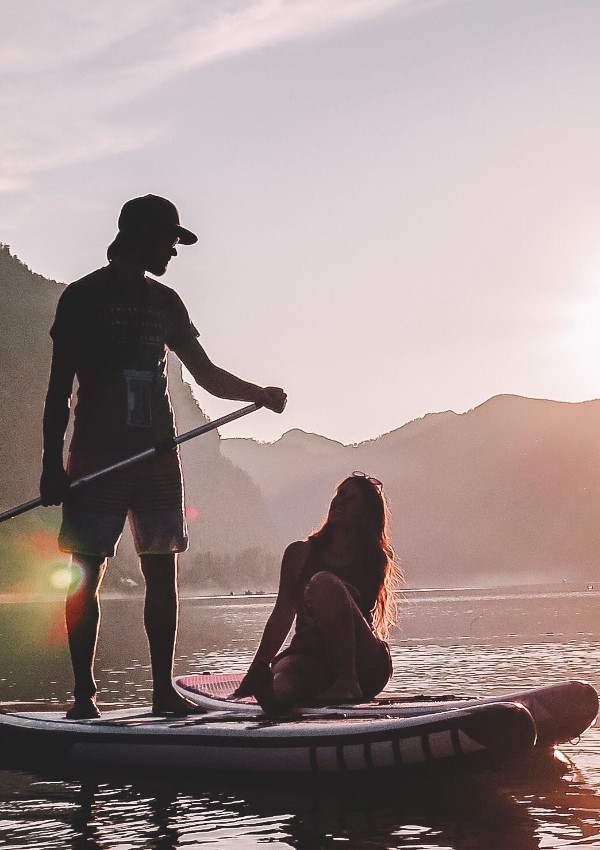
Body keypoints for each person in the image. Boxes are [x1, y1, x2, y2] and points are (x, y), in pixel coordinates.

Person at [40, 194, 287, 720]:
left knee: (162, 570)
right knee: (86, 571)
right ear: (141, 237)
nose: (174, 252)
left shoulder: (168, 303)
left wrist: (257, 394)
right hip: (96, 456)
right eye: (169, 241)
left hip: (156, 454)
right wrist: (49, 466)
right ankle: (84, 697)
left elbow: (207, 375)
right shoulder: (82, 297)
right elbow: (59, 389)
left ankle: (161, 691)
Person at [233, 471, 401, 714]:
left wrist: (334, 594)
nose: (339, 501)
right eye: (339, 495)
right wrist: (258, 665)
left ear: (365, 514)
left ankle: (347, 682)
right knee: (284, 680)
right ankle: (273, 696)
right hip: (311, 657)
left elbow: (353, 602)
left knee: (323, 583)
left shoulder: (374, 558)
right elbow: (282, 615)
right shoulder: (299, 554)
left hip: (363, 662)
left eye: (350, 499)